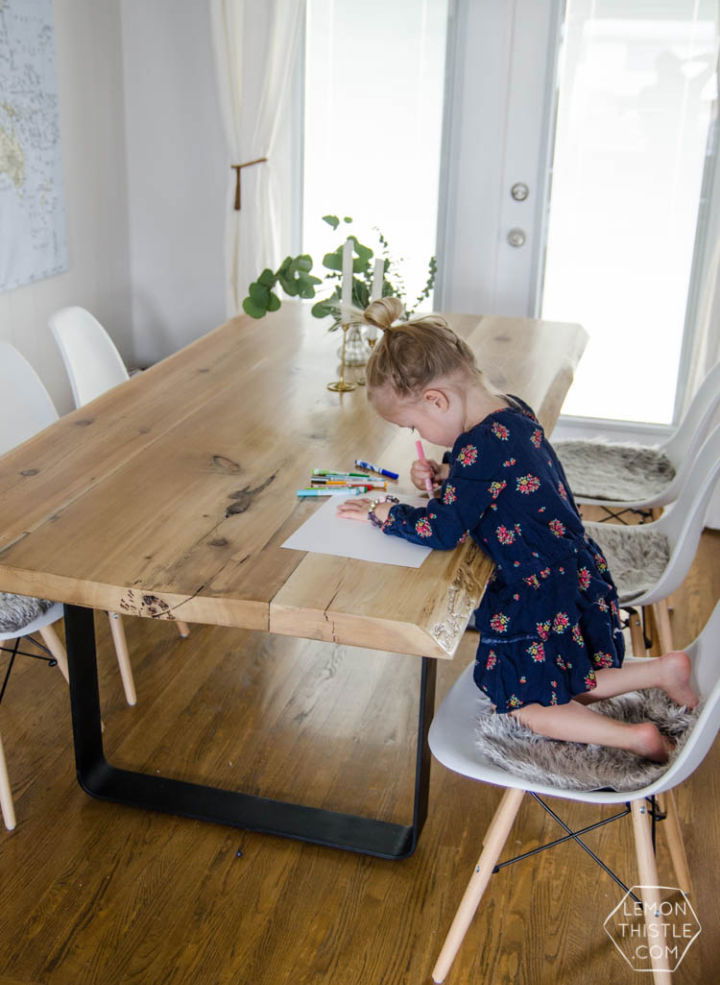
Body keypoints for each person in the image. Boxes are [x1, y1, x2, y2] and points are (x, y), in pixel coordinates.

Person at [338, 298, 697, 763]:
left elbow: (444, 529)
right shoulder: (512, 412)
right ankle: (665, 670)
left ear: (436, 400)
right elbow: (503, 480)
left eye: (413, 425)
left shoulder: (475, 450)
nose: (417, 436)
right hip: (572, 569)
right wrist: (449, 478)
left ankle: (636, 738)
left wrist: (385, 512)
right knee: (566, 677)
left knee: (525, 705)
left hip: (533, 590)